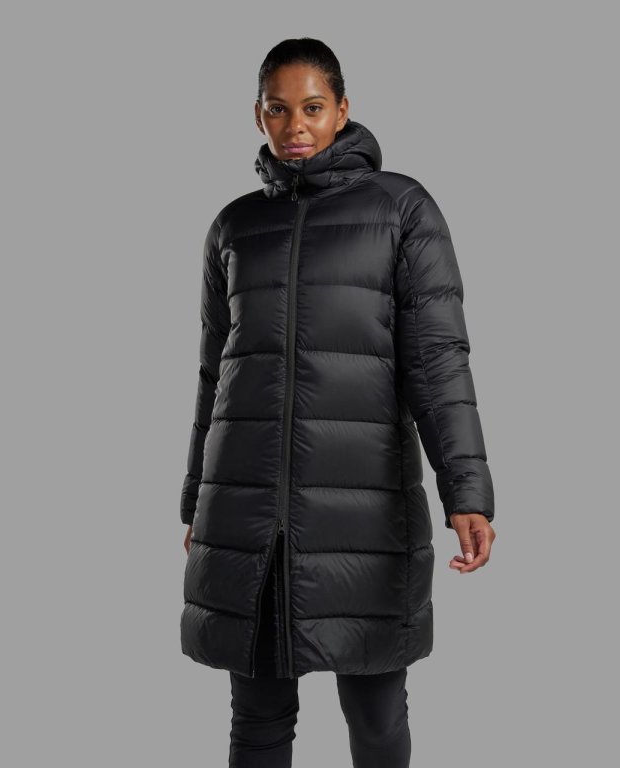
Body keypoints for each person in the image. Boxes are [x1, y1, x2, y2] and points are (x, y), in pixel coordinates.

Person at [179, 37, 497, 767]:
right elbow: (213, 374)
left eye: (313, 107)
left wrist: (467, 492)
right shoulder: (235, 227)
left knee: (376, 714)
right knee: (257, 718)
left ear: (343, 109)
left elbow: (437, 361)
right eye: (278, 109)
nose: (296, 125)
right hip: (250, 513)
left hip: (365, 511)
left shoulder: (402, 210)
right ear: (258, 115)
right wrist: (197, 500)